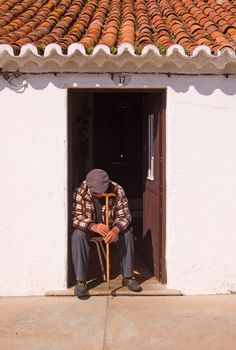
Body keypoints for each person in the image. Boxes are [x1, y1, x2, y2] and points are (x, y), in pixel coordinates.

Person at [71, 168, 142, 296]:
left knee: (127, 235)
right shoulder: (81, 190)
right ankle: (81, 281)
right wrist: (92, 226)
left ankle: (128, 277)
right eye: (96, 192)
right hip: (91, 228)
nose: (100, 194)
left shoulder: (117, 190)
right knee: (78, 236)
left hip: (112, 227)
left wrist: (115, 230)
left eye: (102, 191)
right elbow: (76, 217)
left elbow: (125, 216)